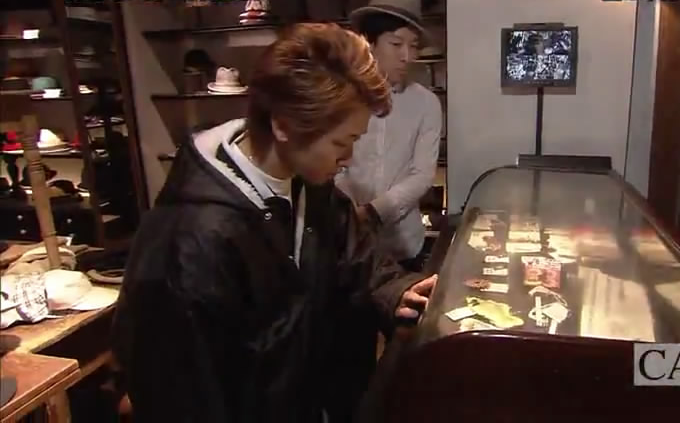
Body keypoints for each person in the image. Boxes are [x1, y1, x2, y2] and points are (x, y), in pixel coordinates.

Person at [112, 23, 437, 423]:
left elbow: (356, 261)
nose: (349, 158)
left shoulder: (312, 186)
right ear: (283, 125)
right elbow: (181, 393)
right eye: (341, 143)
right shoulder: (191, 238)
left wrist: (396, 291)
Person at [336, 0, 442, 270]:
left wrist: (374, 212)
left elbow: (422, 175)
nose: (407, 56)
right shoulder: (343, 96)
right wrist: (350, 211)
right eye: (396, 44)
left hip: (405, 244)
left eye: (414, 46)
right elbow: (335, 165)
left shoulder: (426, 103)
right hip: (349, 244)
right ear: (370, 43)